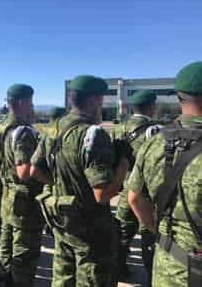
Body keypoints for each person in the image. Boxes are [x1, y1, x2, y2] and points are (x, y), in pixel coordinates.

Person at [30, 75, 132, 286]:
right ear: (94, 100)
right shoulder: (92, 134)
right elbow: (102, 195)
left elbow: (34, 170)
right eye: (101, 100)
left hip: (63, 218)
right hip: (90, 227)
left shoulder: (53, 128)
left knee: (63, 277)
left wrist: (60, 185)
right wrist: (123, 162)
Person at [128, 61, 202, 286]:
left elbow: (134, 198)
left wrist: (157, 232)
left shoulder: (155, 142)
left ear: (180, 99)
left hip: (167, 263)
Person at [0, 84, 44, 287]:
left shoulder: (0, 127)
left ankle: (7, 278)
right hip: (25, 201)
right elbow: (24, 172)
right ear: (21, 102)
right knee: (24, 252)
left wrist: (8, 175)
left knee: (7, 241)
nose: (32, 105)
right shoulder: (24, 132)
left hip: (8, 195)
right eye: (30, 101)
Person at [111, 90, 159, 280]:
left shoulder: (118, 127)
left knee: (122, 232)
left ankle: (118, 268)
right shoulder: (153, 130)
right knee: (149, 234)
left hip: (125, 189)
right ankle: (152, 275)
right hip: (145, 193)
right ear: (151, 106)